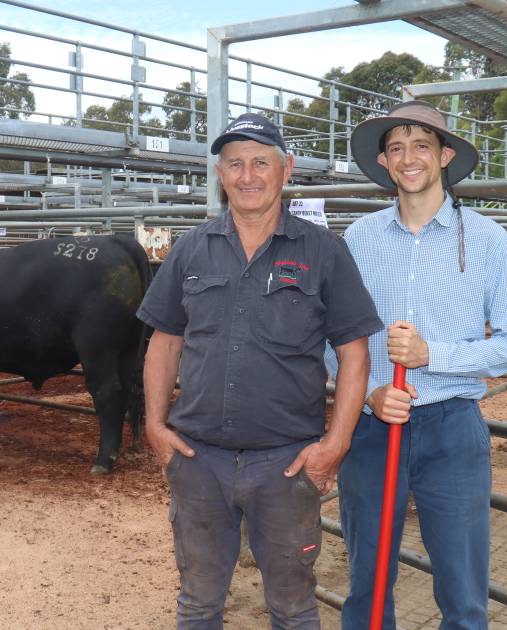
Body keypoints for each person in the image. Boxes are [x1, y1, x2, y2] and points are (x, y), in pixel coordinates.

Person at [138, 113, 383, 629]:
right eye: (235, 164)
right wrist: (155, 426)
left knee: (293, 608)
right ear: (221, 175)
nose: (248, 175)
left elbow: (355, 352)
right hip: (199, 458)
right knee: (198, 602)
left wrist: (335, 444)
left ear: (286, 169)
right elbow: (164, 340)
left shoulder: (324, 251)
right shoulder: (191, 248)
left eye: (260, 162)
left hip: (287, 463)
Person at [335, 100, 507, 629]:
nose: (408, 158)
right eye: (395, 148)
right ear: (383, 162)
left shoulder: (487, 240)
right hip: (375, 429)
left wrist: (434, 356)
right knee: (368, 586)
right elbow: (329, 339)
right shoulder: (359, 239)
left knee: (464, 593)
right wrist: (372, 390)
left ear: (444, 155)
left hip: (452, 429)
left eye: (421, 145)